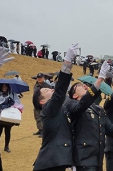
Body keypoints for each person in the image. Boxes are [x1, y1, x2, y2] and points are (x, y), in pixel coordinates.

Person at [66, 64, 113, 171]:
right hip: (82, 159)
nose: (85, 85)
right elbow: (82, 105)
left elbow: (109, 130)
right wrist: (99, 80)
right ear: (75, 95)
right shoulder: (71, 105)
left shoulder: (98, 109)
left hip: (97, 159)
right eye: (80, 85)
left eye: (85, 85)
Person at [32, 43, 79, 171]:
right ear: (42, 102)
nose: (51, 90)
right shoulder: (48, 109)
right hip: (50, 163)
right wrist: (67, 64)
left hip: (60, 161)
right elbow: (59, 94)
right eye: (47, 91)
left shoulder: (60, 108)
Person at [0, 84, 23, 153]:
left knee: (7, 132)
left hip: (9, 116)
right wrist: (2, 103)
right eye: (3, 86)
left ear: (8, 87)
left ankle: (6, 146)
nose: (4, 88)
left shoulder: (13, 95)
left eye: (6, 86)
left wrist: (12, 103)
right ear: (0, 87)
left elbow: (18, 103)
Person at [32, 73, 52, 137]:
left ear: (44, 78)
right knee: (37, 117)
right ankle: (40, 129)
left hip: (44, 104)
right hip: (37, 104)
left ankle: (44, 131)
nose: (39, 79)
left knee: (43, 117)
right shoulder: (36, 85)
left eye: (40, 78)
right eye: (38, 78)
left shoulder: (47, 86)